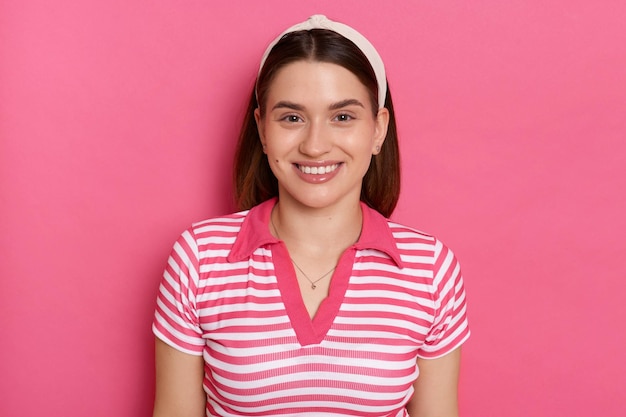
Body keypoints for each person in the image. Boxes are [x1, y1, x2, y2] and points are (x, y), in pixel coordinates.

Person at [152, 15, 470, 417]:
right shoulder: (199, 259)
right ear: (263, 130)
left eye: (342, 117)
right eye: (291, 118)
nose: (315, 145)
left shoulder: (431, 269)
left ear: (377, 129)